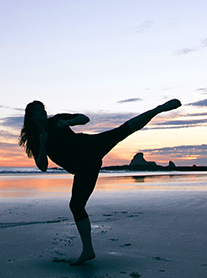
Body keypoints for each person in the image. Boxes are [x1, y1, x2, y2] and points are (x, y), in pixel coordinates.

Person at [19, 99, 181, 265]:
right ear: (31, 116)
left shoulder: (56, 120)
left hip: (90, 147)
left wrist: (67, 122)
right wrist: (44, 145)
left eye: (43, 109)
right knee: (76, 206)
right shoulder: (35, 139)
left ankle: (158, 109)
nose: (43, 112)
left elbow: (85, 118)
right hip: (84, 167)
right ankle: (88, 250)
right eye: (38, 110)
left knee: (122, 131)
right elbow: (43, 166)